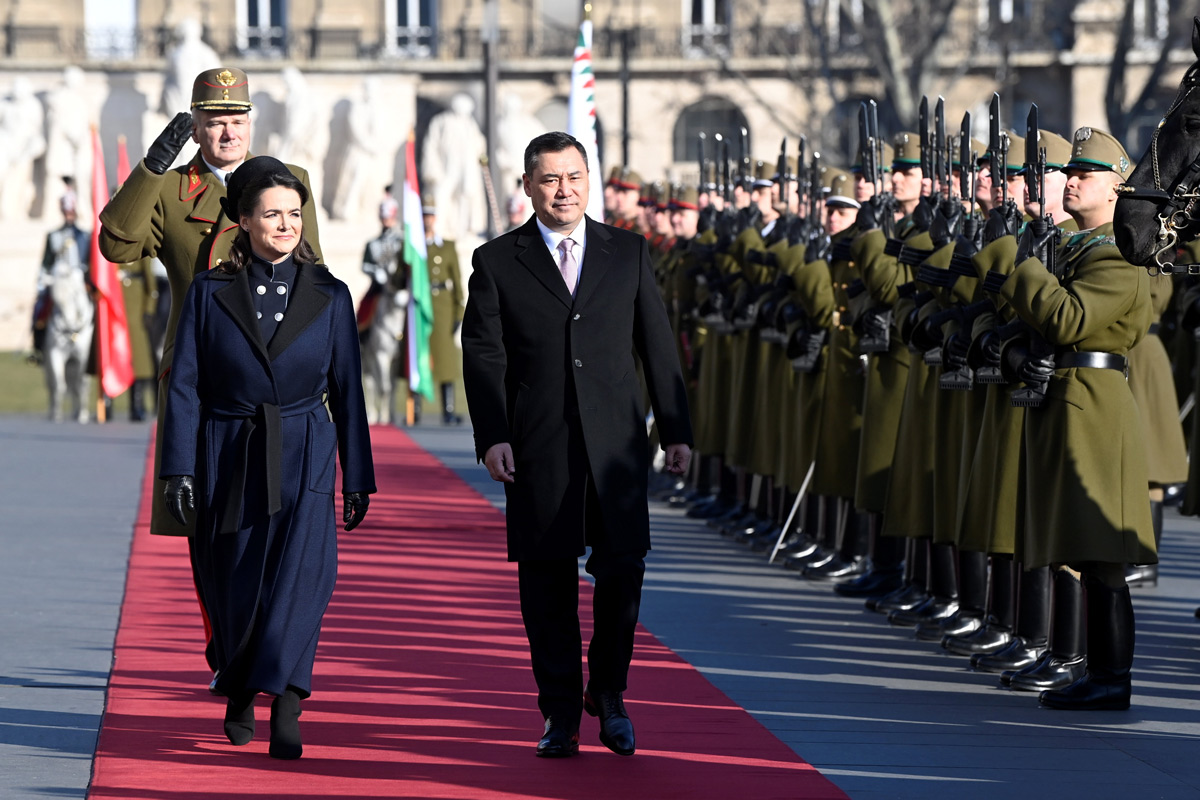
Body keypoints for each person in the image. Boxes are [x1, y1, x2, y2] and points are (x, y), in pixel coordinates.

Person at [462, 131, 693, 758]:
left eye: (574, 177)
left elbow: (657, 344)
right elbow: (484, 357)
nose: (564, 191)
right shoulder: (497, 261)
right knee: (547, 585)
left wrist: (676, 430)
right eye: (550, 179)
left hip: (617, 447)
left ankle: (609, 693)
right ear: (528, 186)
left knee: (623, 572)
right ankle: (560, 711)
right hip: (539, 444)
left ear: (588, 180)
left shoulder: (628, 252)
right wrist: (493, 436)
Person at [99, 66, 323, 683]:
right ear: (195, 126)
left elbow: (312, 276)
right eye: (215, 120)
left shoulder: (288, 181)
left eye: (237, 119)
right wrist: (150, 170)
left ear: (251, 122)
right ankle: (225, 645)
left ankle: (266, 651)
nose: (228, 131)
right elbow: (117, 246)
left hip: (278, 381)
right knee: (207, 526)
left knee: (279, 524)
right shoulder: (172, 190)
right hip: (202, 383)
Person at [159, 157, 375, 759]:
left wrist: (358, 477)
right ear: (245, 221)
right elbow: (185, 386)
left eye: (294, 214)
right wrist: (177, 468)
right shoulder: (209, 292)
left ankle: (288, 700)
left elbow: (348, 390)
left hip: (306, 449)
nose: (286, 225)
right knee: (233, 578)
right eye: (274, 214)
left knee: (303, 578)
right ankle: (238, 682)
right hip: (229, 449)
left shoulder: (331, 295)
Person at [422, 196, 465, 424]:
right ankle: (414, 409)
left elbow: (457, 284)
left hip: (442, 308)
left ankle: (448, 409)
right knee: (418, 356)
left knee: (446, 360)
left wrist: (458, 313)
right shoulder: (413, 247)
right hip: (420, 307)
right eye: (424, 215)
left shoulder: (446, 247)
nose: (427, 220)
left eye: (430, 215)